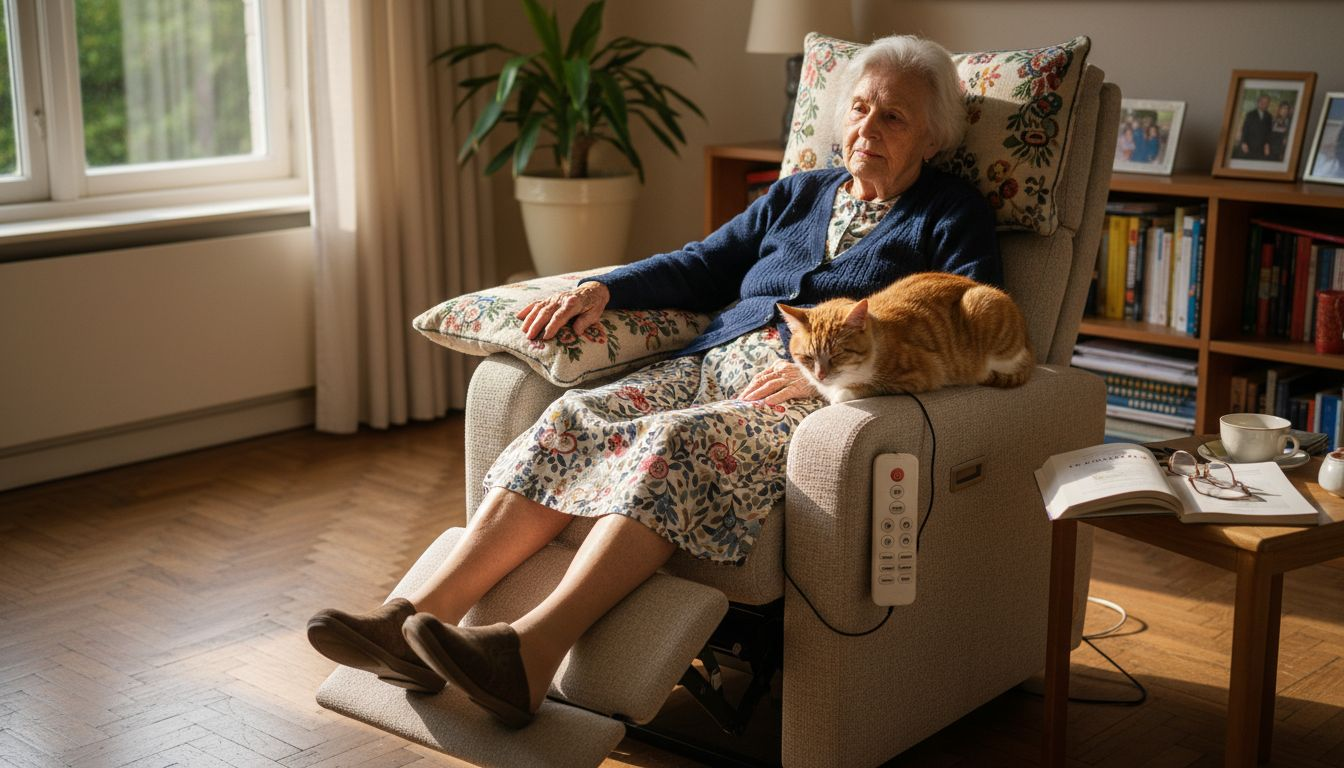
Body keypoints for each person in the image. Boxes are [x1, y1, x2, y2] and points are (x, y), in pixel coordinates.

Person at [307, 34, 1001, 728]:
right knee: (575, 416)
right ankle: (413, 624)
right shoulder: (798, 195)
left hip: (802, 400)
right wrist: (600, 290)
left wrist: (827, 381)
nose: (867, 128)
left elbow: (967, 325)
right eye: (858, 108)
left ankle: (529, 654)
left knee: (673, 442)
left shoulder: (950, 212)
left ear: (932, 138)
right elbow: (703, 263)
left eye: (893, 118)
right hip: (707, 365)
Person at [1235, 94, 1274, 160]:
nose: (1264, 104)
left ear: (1268, 104)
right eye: (1262, 102)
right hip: (1249, 145)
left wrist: (1267, 145)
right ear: (1258, 102)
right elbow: (1245, 129)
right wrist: (1244, 143)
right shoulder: (1250, 114)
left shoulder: (1269, 116)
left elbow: (1269, 132)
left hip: (1261, 147)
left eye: (1267, 102)